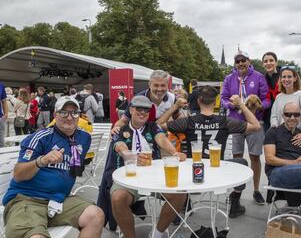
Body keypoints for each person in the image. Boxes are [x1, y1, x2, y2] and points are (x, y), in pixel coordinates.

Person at [2, 96, 104, 238]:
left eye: (74, 112)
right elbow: (18, 174)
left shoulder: (84, 138)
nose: (69, 117)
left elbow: (75, 167)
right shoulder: (41, 137)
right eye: (63, 112)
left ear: (79, 115)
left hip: (59, 200)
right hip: (27, 199)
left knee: (96, 215)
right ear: (55, 115)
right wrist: (41, 161)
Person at [157, 85, 262, 218]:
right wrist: (241, 104)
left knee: (179, 162)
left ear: (199, 101)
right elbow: (256, 126)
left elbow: (158, 125)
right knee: (242, 162)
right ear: (215, 102)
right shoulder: (225, 122)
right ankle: (234, 203)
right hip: (217, 170)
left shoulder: (189, 121)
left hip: (193, 170)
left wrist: (175, 106)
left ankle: (185, 201)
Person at [100, 96, 186, 238]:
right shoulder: (120, 129)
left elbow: (162, 139)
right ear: (131, 110)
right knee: (117, 197)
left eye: (146, 109)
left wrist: (174, 152)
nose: (143, 112)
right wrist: (132, 157)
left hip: (154, 178)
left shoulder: (152, 126)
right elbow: (120, 146)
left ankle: (158, 233)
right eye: (139, 108)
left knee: (180, 195)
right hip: (128, 178)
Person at [221, 50, 270, 205]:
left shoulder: (259, 77)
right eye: (237, 61)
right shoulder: (229, 78)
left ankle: (256, 190)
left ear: (249, 61)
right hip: (235, 122)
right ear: (235, 63)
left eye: (243, 60)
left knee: (255, 156)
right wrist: (231, 104)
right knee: (237, 157)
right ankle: (237, 193)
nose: (240, 63)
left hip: (255, 123)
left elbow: (266, 99)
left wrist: (259, 107)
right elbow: (222, 98)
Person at [112, 70, 181, 134]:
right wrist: (116, 128)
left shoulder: (172, 98)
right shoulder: (138, 99)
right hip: (141, 137)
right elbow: (124, 120)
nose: (159, 89)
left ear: (167, 85)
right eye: (156, 85)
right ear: (149, 85)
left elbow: (177, 116)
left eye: (163, 85)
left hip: (163, 136)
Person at [270, 66, 301, 146]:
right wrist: (275, 131)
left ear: (295, 78)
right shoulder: (279, 97)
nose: (286, 79)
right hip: (281, 138)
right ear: (280, 79)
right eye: (284, 77)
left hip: (297, 138)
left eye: (289, 77)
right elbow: (274, 117)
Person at [262, 52, 281, 132]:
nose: (268, 63)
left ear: (276, 62)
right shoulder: (261, 80)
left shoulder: (284, 77)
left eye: (271, 60)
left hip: (283, 117)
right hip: (266, 119)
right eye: (265, 61)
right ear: (263, 64)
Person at [0, 82, 8, 147]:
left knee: (1, 144)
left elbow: (4, 101)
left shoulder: (1, 85)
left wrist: (6, 114)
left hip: (0, 117)